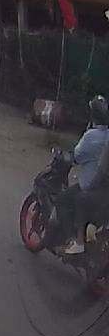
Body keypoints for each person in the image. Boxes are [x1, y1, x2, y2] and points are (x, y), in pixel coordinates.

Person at [57, 95, 109, 254]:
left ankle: (74, 241)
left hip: (94, 187)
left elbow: (78, 157)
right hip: (102, 188)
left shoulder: (92, 136)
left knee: (62, 200)